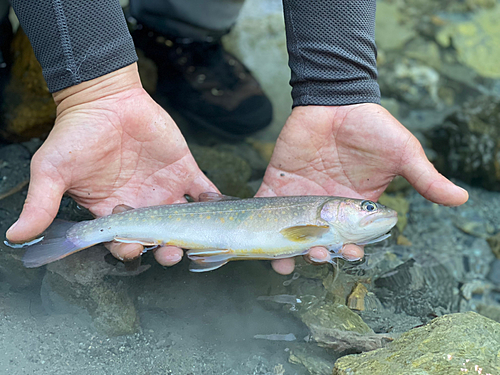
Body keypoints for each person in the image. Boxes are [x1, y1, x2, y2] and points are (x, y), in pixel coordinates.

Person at [4, 0, 468, 275]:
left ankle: (178, 30)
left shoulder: (318, 222)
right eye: (365, 208)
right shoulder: (316, 223)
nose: (372, 212)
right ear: (336, 212)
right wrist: (92, 83)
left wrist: (337, 84)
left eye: (367, 209)